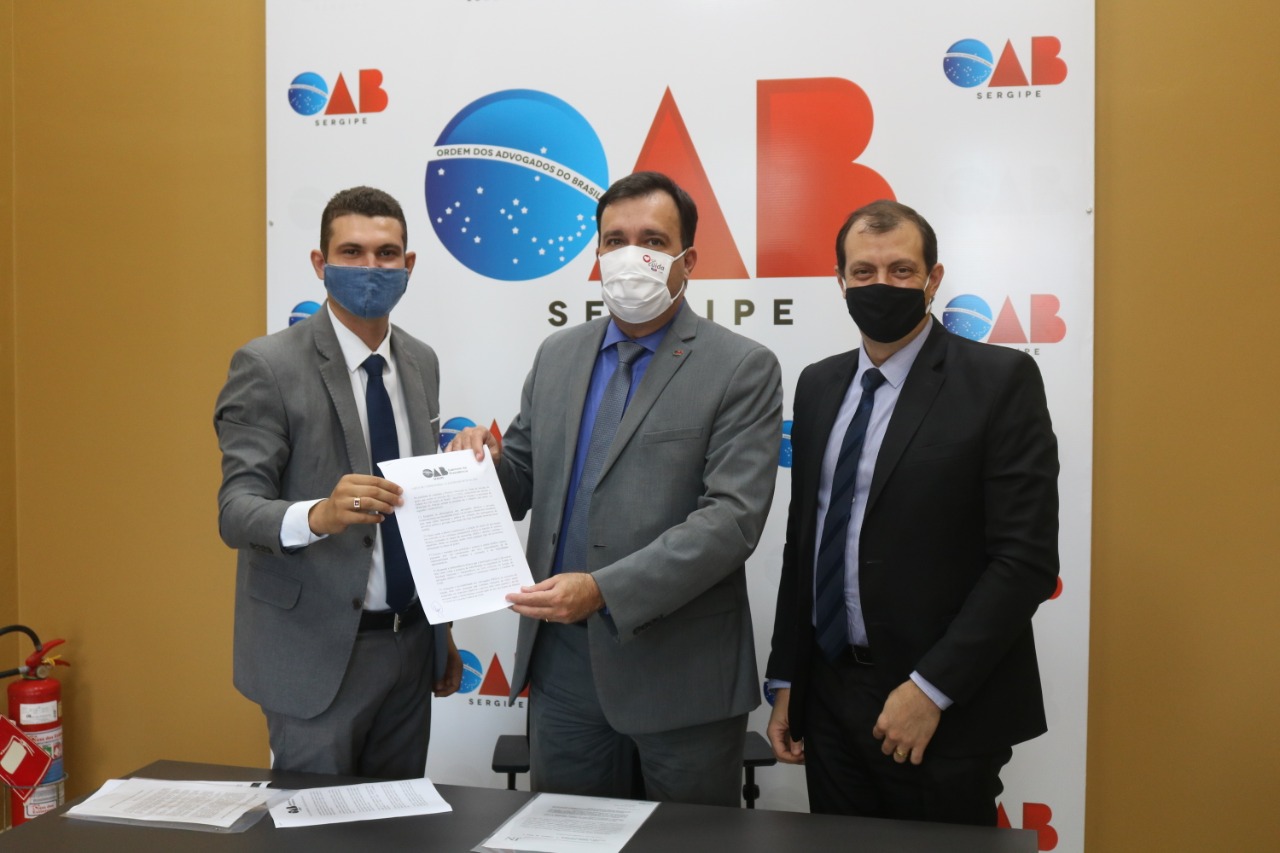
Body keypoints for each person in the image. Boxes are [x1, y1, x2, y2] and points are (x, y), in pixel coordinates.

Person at [451, 172, 782, 806]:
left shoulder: (741, 366)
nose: (632, 255)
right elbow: (520, 482)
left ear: (688, 260)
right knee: (566, 839)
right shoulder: (558, 354)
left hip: (680, 673)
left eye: (653, 241)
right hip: (563, 671)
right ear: (598, 254)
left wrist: (603, 590)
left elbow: (731, 520)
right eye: (615, 240)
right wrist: (480, 466)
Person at [765, 200, 1059, 825]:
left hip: (942, 708)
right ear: (840, 281)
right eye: (863, 272)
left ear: (933, 278)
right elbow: (805, 542)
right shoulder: (818, 385)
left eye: (901, 270)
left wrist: (931, 690)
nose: (882, 285)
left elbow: (1025, 560)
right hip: (829, 693)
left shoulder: (999, 380)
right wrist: (788, 677)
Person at [215, 186, 461, 778]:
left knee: (400, 822)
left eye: (386, 253)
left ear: (409, 264)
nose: (370, 267)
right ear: (320, 263)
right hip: (315, 655)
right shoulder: (268, 366)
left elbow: (418, 511)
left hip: (410, 649)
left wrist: (441, 632)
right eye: (352, 252)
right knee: (316, 822)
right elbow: (236, 511)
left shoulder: (421, 361)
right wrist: (318, 515)